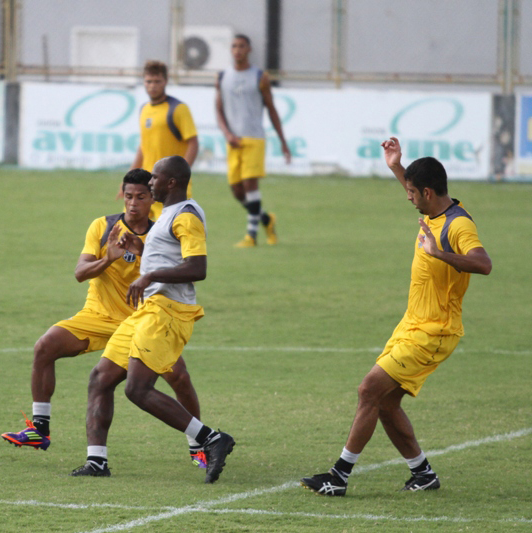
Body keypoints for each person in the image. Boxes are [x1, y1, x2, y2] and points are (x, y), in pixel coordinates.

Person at [300, 137, 492, 496]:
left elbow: (484, 264)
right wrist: (395, 166)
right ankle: (423, 474)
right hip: (412, 324)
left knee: (368, 389)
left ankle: (338, 477)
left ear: (429, 193)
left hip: (434, 331)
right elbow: (418, 194)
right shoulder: (434, 210)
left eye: (412, 192)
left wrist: (439, 255)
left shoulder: (458, 227)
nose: (408, 197)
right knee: (385, 402)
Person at [2, 168, 207, 469]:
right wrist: (108, 257)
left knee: (179, 377)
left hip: (142, 319)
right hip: (98, 316)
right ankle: (39, 429)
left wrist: (138, 256)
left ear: (153, 198)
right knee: (44, 347)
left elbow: (172, 275)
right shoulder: (103, 226)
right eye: (128, 196)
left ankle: (198, 447)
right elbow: (79, 273)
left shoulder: (161, 234)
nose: (133, 203)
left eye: (140, 196)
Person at [71, 156, 235, 483]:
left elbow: (197, 268)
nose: (149, 184)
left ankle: (210, 438)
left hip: (167, 310)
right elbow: (166, 257)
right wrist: (141, 251)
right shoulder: (168, 215)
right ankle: (97, 461)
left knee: (138, 389)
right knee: (100, 378)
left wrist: (149, 276)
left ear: (171, 182)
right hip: (147, 309)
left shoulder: (186, 216)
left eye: (155, 179)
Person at [215, 34, 291, 248]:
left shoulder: (260, 76)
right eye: (234, 46)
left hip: (254, 138)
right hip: (233, 141)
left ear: (248, 49)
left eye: (241, 46)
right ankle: (267, 219)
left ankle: (251, 237)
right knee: (237, 192)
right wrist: (227, 134)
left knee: (250, 184)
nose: (237, 50)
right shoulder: (222, 77)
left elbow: (272, 109)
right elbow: (218, 111)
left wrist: (283, 141)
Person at [123, 60, 199, 220]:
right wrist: (129, 179)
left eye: (157, 81)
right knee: (134, 235)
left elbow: (193, 143)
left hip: (170, 188)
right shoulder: (144, 109)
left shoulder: (178, 109)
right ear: (143, 82)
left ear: (165, 81)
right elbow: (143, 146)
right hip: (146, 186)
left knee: (166, 240)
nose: (152, 85)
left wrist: (181, 177)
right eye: (149, 81)